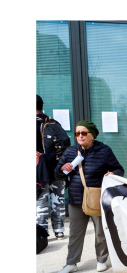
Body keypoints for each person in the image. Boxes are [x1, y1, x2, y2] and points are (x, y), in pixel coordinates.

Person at [54, 120, 124, 273]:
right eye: (77, 133)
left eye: (84, 133)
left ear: (92, 135)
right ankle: (71, 263)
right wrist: (62, 169)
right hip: (76, 199)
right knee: (75, 234)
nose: (80, 136)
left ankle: (101, 260)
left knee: (100, 232)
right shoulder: (71, 152)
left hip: (96, 198)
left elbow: (119, 169)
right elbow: (57, 175)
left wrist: (113, 174)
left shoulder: (104, 151)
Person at [36, 95, 68, 240]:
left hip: (38, 171)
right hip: (56, 169)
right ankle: (59, 230)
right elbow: (65, 143)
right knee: (58, 200)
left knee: (40, 202)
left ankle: (41, 234)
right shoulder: (53, 123)